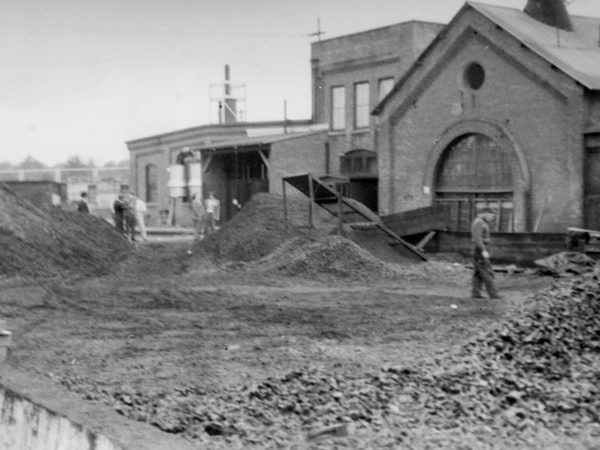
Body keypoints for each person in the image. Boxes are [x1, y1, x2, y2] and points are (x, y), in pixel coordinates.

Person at [471, 209, 501, 299]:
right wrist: (483, 250)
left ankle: (476, 293)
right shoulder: (479, 222)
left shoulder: (480, 222)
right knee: (486, 272)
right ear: (485, 214)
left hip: (479, 250)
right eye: (491, 216)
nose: (492, 218)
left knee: (478, 273)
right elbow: (477, 238)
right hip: (480, 250)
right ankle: (493, 294)